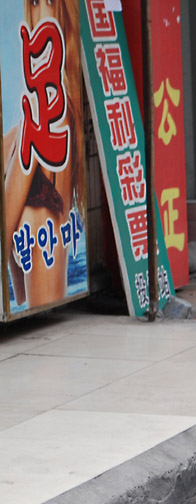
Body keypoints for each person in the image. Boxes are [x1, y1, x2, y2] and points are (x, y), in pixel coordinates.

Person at [3, 0, 84, 311]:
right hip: (44, 302)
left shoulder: (42, 115)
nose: (37, 13)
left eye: (46, 2)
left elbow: (4, 230)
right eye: (33, 3)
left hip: (44, 304)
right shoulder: (61, 105)